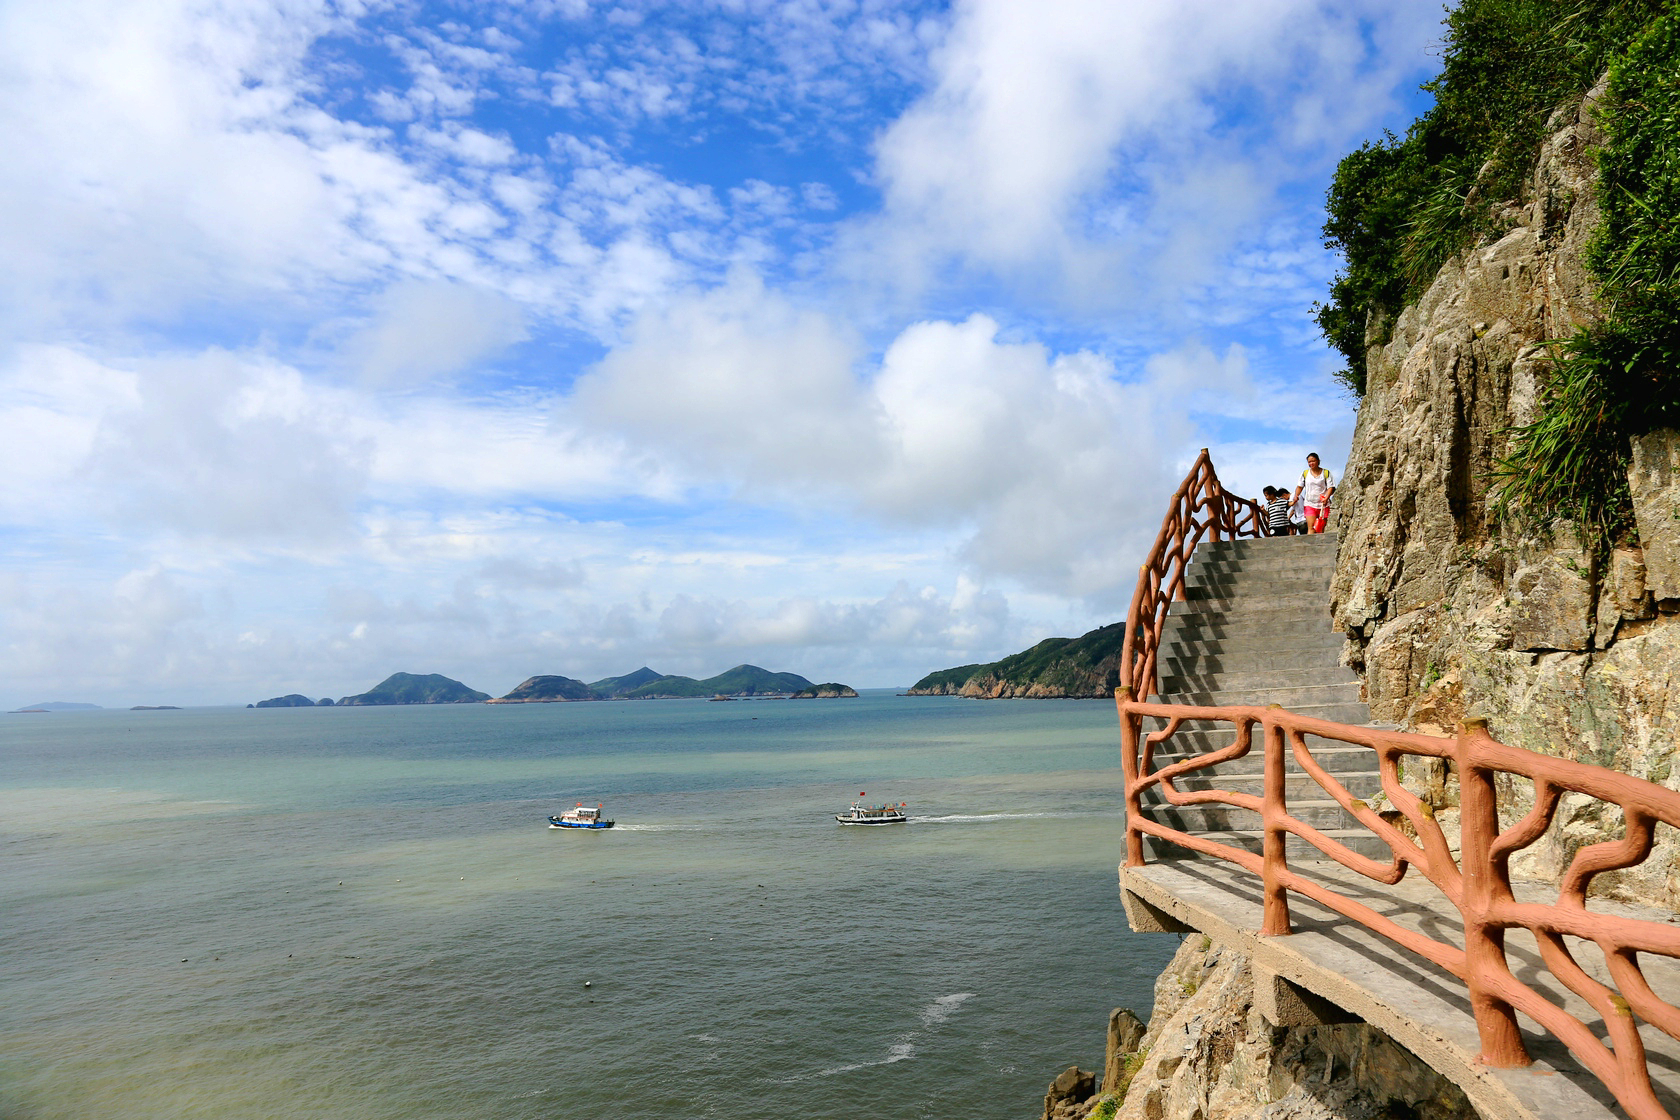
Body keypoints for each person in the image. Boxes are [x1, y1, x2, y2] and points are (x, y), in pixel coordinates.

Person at [1292, 453, 1335, 534]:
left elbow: (1330, 487)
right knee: (1311, 527)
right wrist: (1296, 496)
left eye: (1313, 461)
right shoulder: (1305, 473)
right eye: (1309, 462)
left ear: (1318, 461)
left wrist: (1326, 497)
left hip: (1323, 504)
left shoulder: (1325, 473)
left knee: (1321, 528)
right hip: (1310, 503)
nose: (1311, 463)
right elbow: (1299, 487)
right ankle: (1311, 546)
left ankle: (1321, 545)